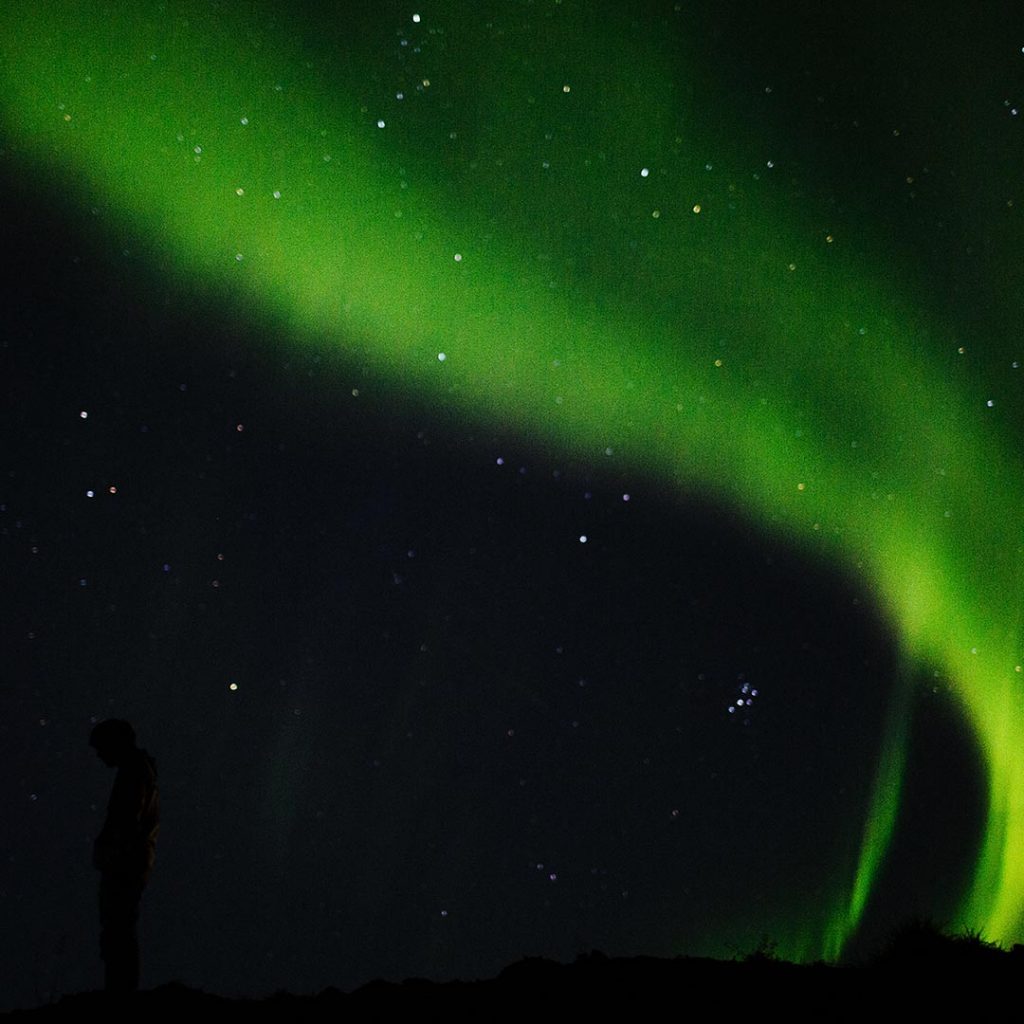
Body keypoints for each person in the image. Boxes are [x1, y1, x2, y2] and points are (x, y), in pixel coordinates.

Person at [89, 719, 160, 992]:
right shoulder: (138, 770)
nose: (99, 755)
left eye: (102, 748)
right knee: (120, 930)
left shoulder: (133, 773)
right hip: (129, 863)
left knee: (118, 931)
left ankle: (120, 992)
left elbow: (126, 821)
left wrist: (112, 853)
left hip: (124, 865)